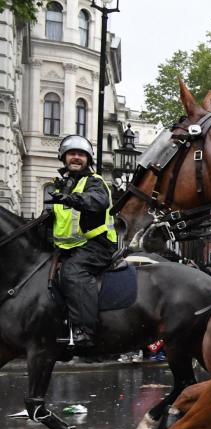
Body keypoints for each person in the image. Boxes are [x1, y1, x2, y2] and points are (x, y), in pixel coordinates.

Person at [46, 135, 117, 347]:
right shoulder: (61, 185)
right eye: (72, 154)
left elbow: (98, 201)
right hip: (67, 247)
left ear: (88, 159)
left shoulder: (94, 182)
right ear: (64, 157)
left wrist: (70, 198)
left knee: (73, 271)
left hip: (97, 245)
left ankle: (84, 331)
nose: (76, 158)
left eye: (81, 155)